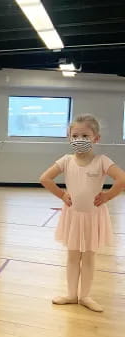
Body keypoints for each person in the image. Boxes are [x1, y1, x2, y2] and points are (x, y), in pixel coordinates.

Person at [40, 114, 125, 312]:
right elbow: (45, 178)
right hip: (73, 215)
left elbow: (122, 179)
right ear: (69, 138)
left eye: (85, 136)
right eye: (75, 135)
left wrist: (107, 196)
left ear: (96, 138)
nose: (80, 139)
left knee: (88, 256)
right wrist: (62, 195)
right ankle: (71, 294)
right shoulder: (66, 161)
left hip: (93, 215)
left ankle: (85, 296)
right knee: (72, 255)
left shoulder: (102, 161)